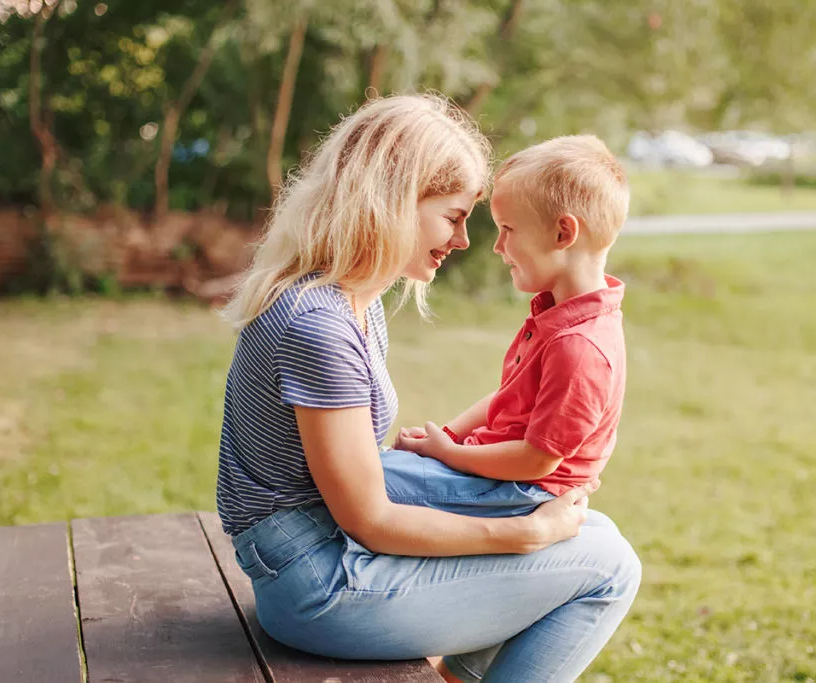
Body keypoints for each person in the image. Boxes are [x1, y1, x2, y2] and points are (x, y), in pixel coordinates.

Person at [215, 94, 640, 683]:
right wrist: (522, 533)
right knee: (611, 567)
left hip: (324, 547)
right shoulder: (318, 325)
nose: (466, 241)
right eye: (454, 216)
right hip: (318, 582)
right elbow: (369, 518)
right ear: (391, 202)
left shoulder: (355, 305)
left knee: (593, 534)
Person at [385, 135, 630, 523]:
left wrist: (448, 454)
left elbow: (536, 460)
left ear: (563, 234)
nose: (498, 247)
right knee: (374, 473)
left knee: (369, 480)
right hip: (500, 475)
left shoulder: (580, 346)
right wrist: (446, 436)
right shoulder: (560, 317)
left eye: (508, 229)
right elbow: (508, 398)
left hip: (519, 492)